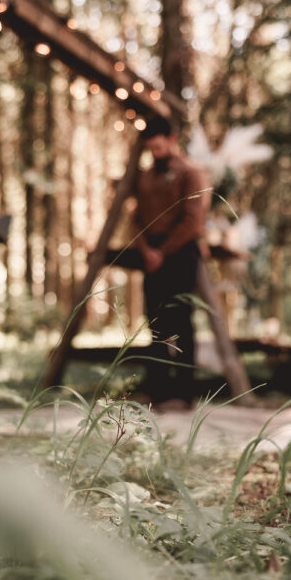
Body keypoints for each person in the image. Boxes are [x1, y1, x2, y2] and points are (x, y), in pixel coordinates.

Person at [132, 115, 210, 410]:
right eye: (151, 149)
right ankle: (157, 390)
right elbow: (135, 218)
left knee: (181, 323)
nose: (156, 153)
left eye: (159, 147)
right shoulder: (145, 176)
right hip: (151, 255)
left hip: (179, 254)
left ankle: (184, 393)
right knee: (155, 324)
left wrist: (163, 252)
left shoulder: (191, 172)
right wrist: (146, 249)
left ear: (172, 140)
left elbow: (193, 219)